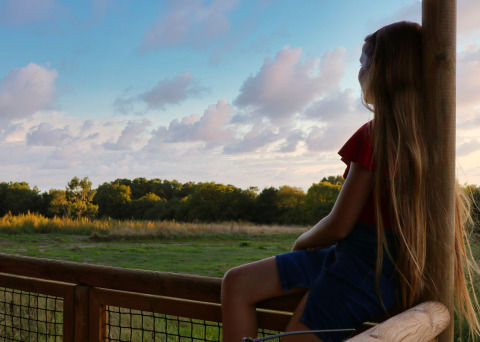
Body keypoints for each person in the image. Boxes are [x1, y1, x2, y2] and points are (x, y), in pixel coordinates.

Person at [221, 21, 480, 342]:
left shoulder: (376, 136)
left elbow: (339, 224)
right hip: (365, 261)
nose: (359, 72)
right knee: (237, 281)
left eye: (363, 63)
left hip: (363, 269)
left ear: (381, 71)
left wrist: (302, 243)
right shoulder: (426, 140)